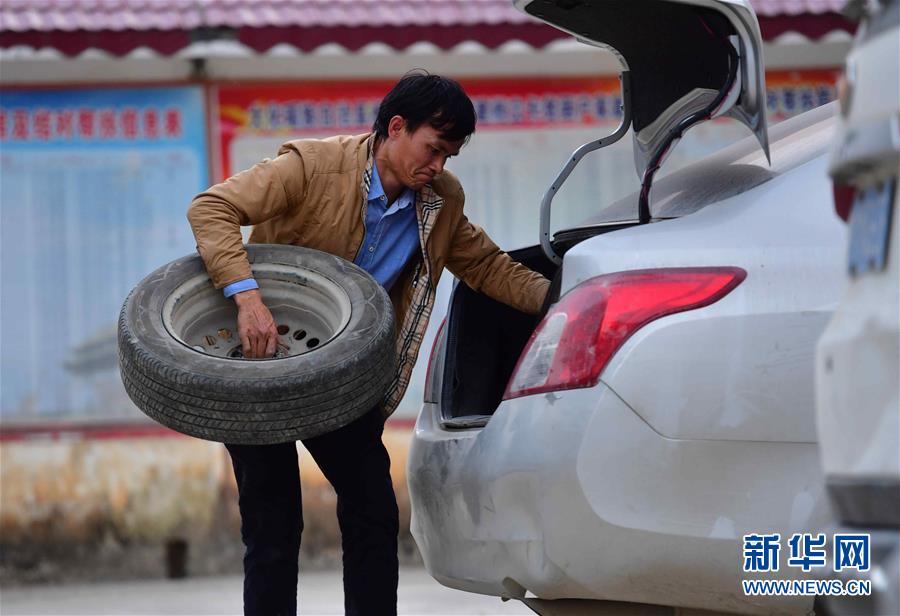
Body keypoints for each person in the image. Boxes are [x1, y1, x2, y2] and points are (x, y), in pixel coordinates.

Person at [187, 71, 550, 616]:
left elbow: (488, 268)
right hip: (263, 370)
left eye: (449, 156)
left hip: (343, 384)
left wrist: (567, 298)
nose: (438, 166)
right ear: (396, 127)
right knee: (273, 525)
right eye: (433, 149)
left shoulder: (440, 202)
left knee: (374, 513)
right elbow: (211, 208)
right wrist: (247, 299)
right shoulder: (310, 167)